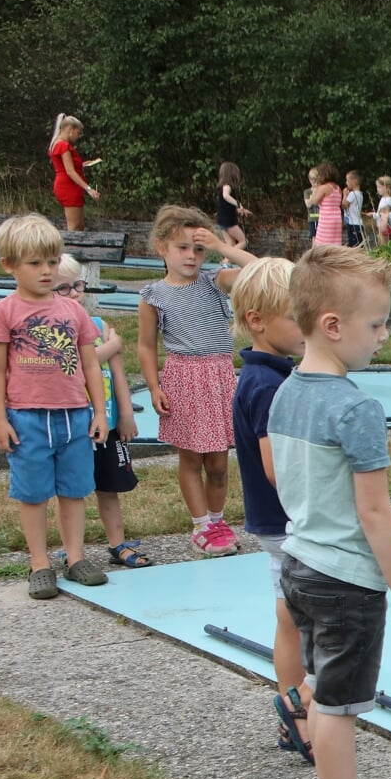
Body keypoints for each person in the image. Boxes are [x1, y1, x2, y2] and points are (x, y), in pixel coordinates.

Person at [271, 244, 391, 779]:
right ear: (333, 326)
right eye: (377, 324)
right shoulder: (357, 408)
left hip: (300, 565)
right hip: (345, 581)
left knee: (321, 687)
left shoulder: (287, 391)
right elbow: (374, 512)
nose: (384, 336)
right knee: (339, 705)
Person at [0, 215, 109, 599]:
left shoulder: (73, 312)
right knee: (33, 493)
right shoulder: (3, 313)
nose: (46, 271)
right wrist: (0, 419)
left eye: (51, 262)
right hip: (27, 417)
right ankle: (39, 563)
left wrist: (100, 412)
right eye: (34, 263)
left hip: (74, 416)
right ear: (10, 265)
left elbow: (89, 364)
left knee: (74, 490)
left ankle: (75, 558)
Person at [230, 258, 314, 763]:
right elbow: (278, 467)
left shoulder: (267, 374)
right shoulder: (268, 385)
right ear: (258, 320)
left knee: (288, 615)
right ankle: (301, 705)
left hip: (274, 523)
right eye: (295, 319)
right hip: (292, 522)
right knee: (315, 619)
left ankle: (294, 712)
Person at [136, 205, 256, 557]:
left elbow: (260, 270)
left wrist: (222, 247)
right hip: (183, 379)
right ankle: (201, 525)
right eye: (182, 248)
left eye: (198, 249)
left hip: (219, 378)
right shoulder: (153, 295)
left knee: (218, 463)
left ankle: (218, 521)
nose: (191, 256)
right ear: (161, 248)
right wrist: (154, 386)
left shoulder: (215, 281)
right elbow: (145, 345)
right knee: (192, 459)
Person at [63, 254, 150, 569]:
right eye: (63, 288)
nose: (74, 293)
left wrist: (126, 413)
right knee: (72, 490)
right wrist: (112, 346)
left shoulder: (99, 325)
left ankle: (117, 543)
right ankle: (73, 549)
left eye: (77, 285)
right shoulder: (55, 331)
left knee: (109, 487)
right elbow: (71, 366)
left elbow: (117, 374)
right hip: (73, 425)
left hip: (108, 423)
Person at [49, 115, 99, 231]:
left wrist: (81, 165)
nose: (78, 136)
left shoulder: (57, 143)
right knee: (74, 227)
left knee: (79, 226)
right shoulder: (63, 145)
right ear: (70, 129)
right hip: (68, 186)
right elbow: (70, 171)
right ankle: (70, 249)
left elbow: (64, 165)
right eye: (78, 132)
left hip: (67, 185)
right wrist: (88, 189)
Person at [217, 162, 253, 249]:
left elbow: (225, 206)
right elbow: (226, 196)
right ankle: (227, 259)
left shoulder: (221, 188)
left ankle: (225, 261)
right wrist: (239, 204)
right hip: (229, 222)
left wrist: (240, 210)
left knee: (230, 243)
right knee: (244, 241)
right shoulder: (227, 186)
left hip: (221, 220)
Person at [308, 164, 342, 247]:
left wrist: (315, 191)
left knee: (322, 242)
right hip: (337, 219)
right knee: (334, 241)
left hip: (326, 219)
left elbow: (315, 201)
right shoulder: (338, 188)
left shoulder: (323, 188)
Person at [370, 175, 391, 244]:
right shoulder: (385, 198)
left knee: (384, 246)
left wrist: (373, 215)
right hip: (382, 226)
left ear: (387, 188)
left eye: (379, 187)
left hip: (385, 228)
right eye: (377, 187)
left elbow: (384, 215)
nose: (377, 189)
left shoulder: (387, 200)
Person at [342, 170, 365, 247]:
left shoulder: (352, 194)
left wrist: (344, 195)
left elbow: (344, 205)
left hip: (353, 224)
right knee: (359, 244)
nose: (346, 182)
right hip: (358, 223)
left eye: (347, 180)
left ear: (354, 181)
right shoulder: (360, 194)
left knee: (353, 245)